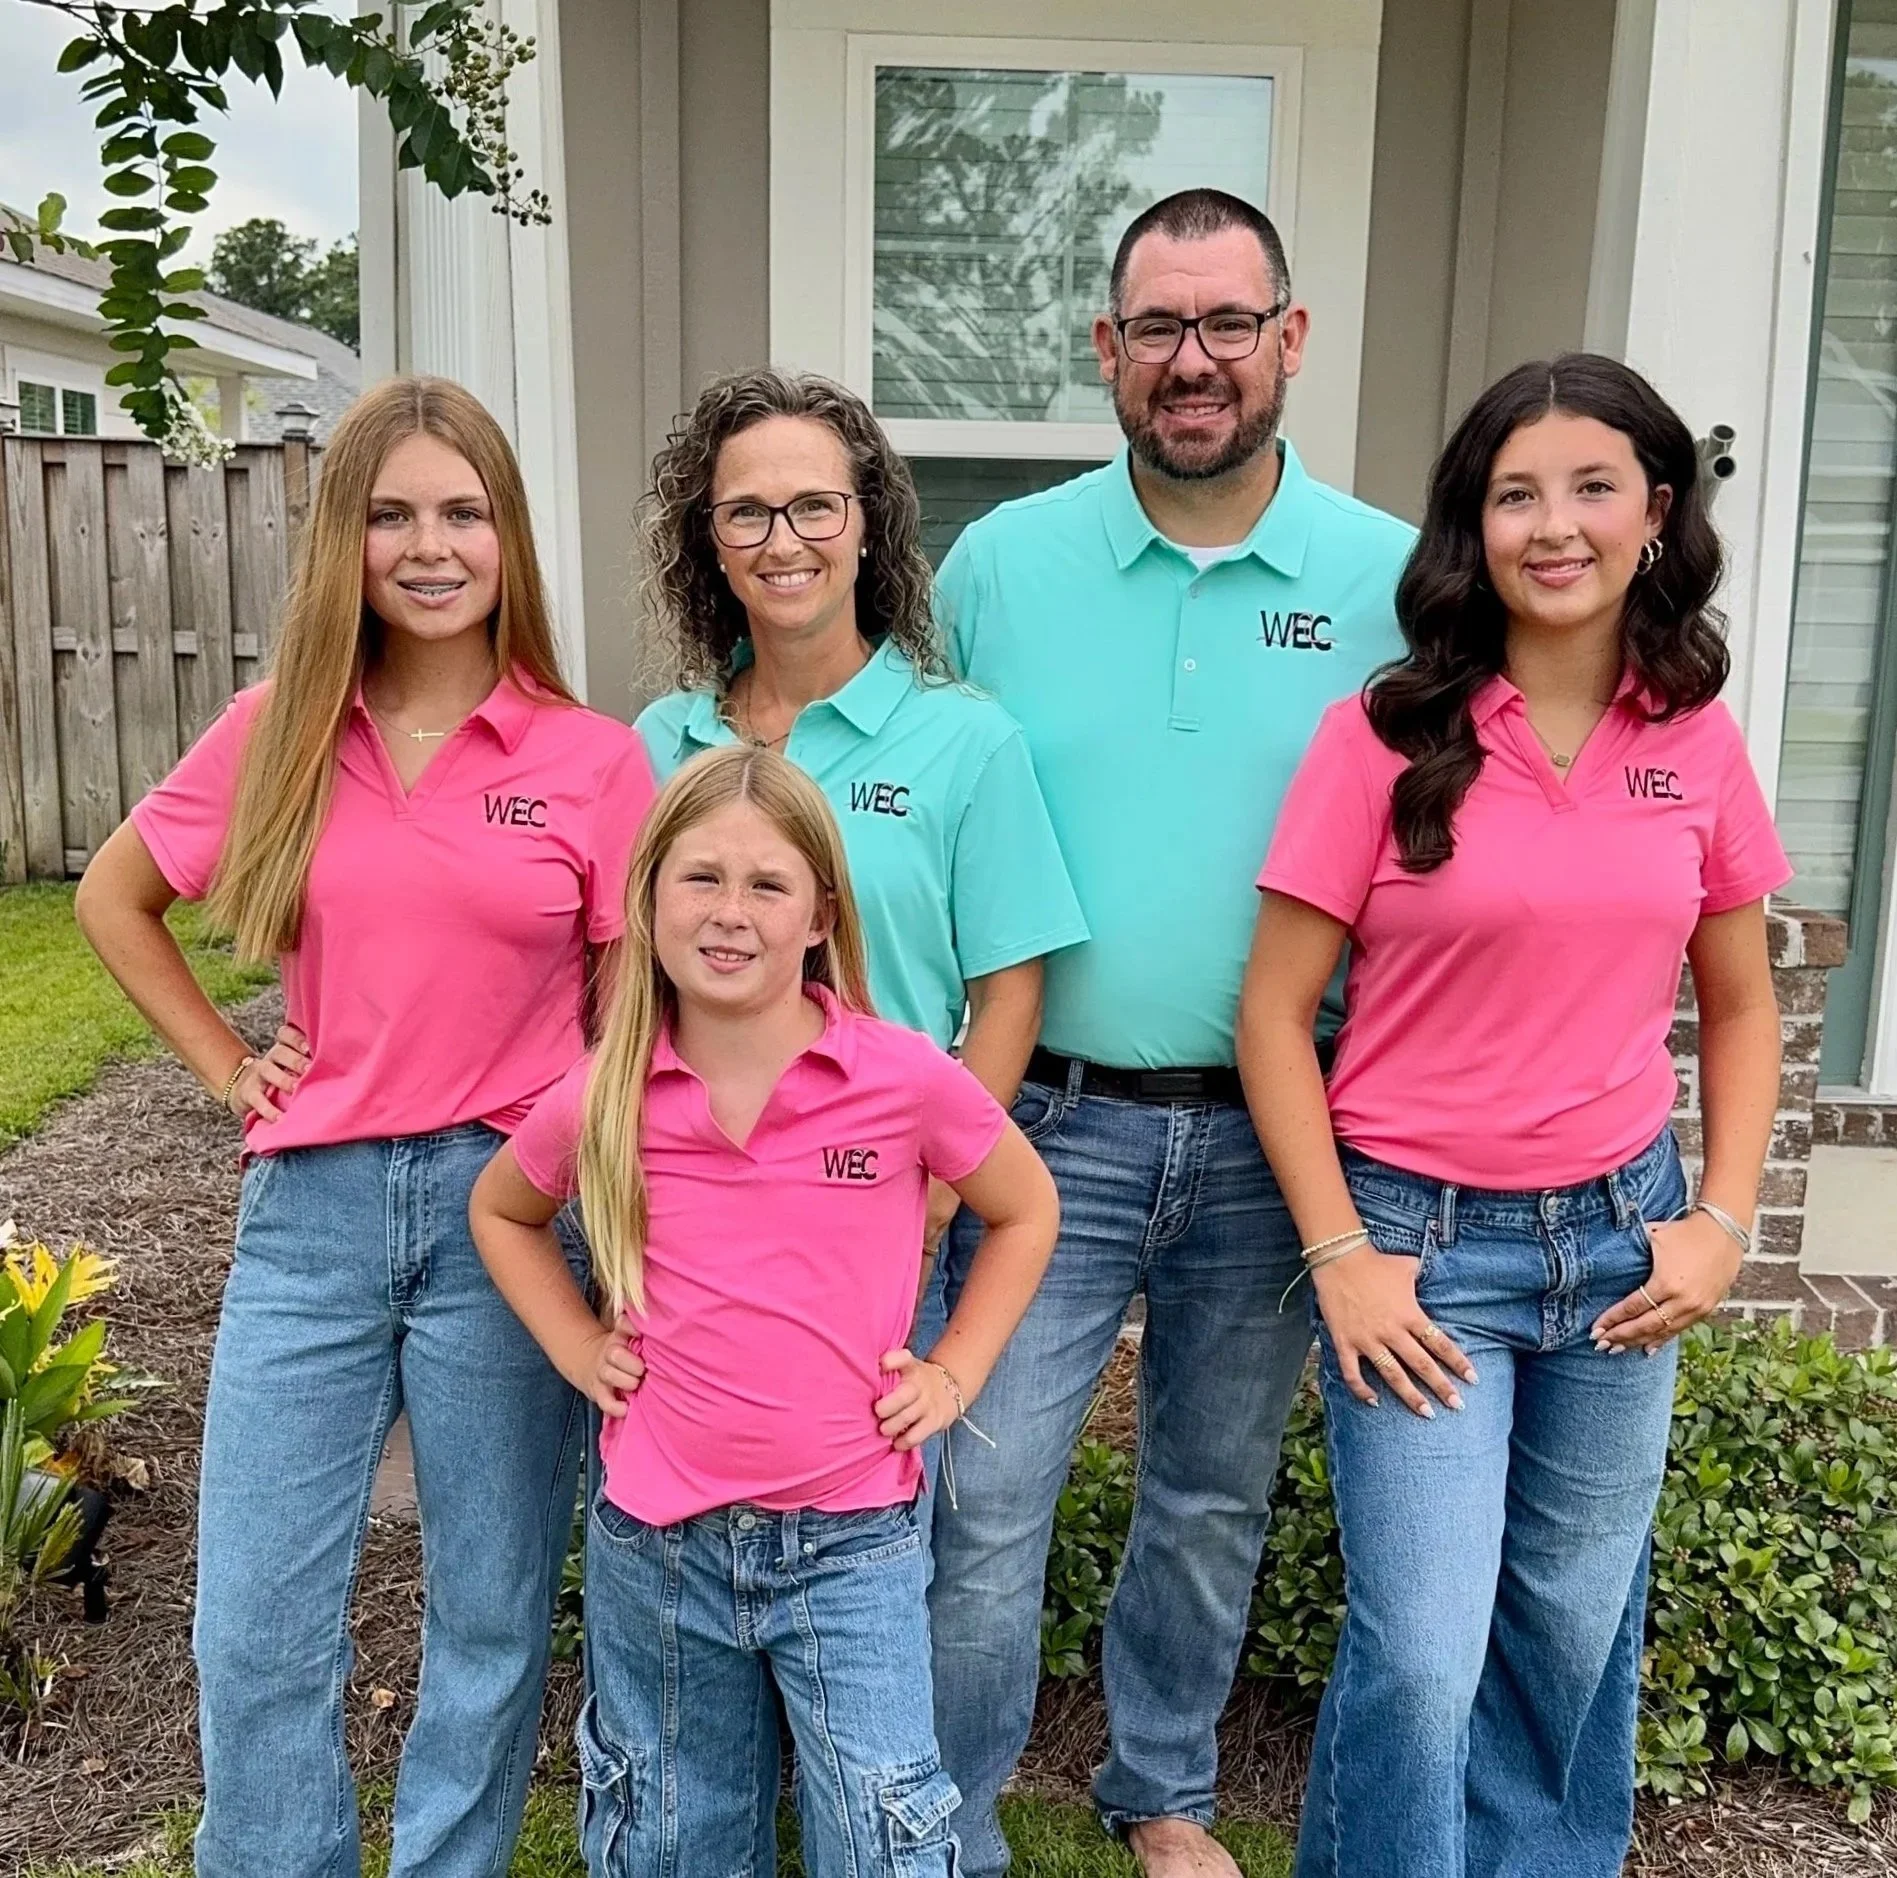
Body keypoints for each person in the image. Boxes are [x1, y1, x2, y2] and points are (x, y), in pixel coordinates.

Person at [74, 376, 657, 1878]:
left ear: (507, 536)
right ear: (346, 539)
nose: (430, 546)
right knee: (254, 1617)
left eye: (462, 512)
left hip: (507, 1219)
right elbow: (115, 896)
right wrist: (226, 1065)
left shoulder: (592, 761)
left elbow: (625, 1023)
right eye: (392, 515)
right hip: (311, 1220)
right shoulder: (277, 730)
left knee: (490, 1612)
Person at [1238, 353, 1789, 1877]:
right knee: (1422, 1647)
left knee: (1567, 1625)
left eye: (1592, 487)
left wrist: (1722, 1220)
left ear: (1655, 511)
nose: (1554, 525)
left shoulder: (1693, 738)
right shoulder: (1381, 737)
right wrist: (1340, 1254)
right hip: (1416, 1251)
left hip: (1620, 1245)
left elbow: (1743, 1004)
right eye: (1514, 494)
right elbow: (1273, 1016)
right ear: (1470, 529)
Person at [927, 187, 1417, 1878]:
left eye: (1226, 323)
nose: (1192, 360)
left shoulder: (1389, 583)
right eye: (1157, 327)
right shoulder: (1000, 568)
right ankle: (945, 1811)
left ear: (1291, 337)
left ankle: (1160, 1785)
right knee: (983, 1488)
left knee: (1211, 1494)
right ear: (1106, 348)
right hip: (1036, 1125)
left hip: (1278, 1130)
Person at [467, 744, 1060, 1878]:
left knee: (882, 1831)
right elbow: (502, 1211)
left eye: (766, 884)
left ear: (820, 915)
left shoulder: (900, 1079)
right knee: (669, 1829)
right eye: (699, 877)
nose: (729, 912)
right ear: (647, 900)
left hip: (852, 1542)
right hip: (659, 1544)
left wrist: (955, 1371)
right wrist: (577, 1344)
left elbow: (1025, 1209)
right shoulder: (606, 1092)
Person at [634, 368, 1087, 1261]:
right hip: (686, 1201)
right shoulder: (658, 743)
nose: (782, 542)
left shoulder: (967, 741)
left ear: (867, 526)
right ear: (710, 542)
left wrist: (942, 1190)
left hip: (878, 1203)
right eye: (746, 513)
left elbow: (1009, 994)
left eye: (815, 507)